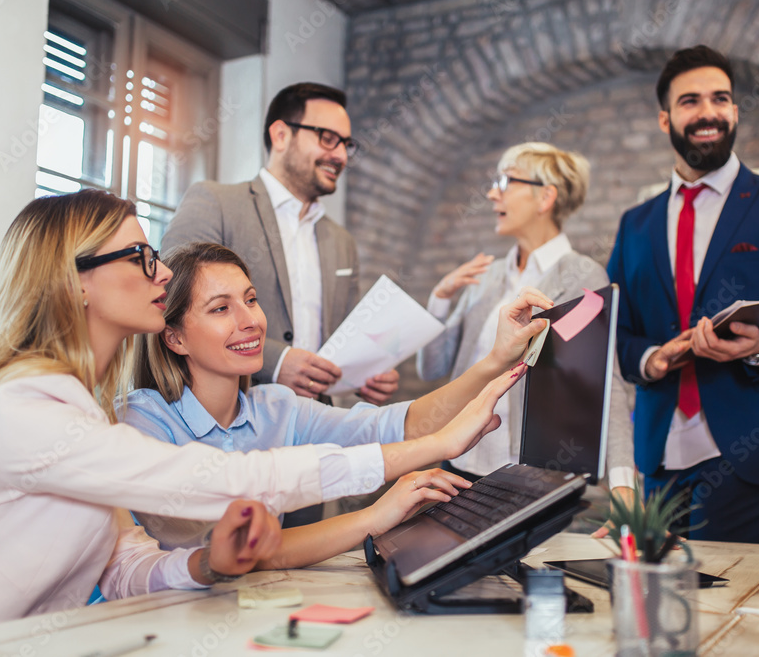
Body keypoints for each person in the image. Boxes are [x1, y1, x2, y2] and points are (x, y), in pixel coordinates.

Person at [0, 190, 538, 625]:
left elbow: (125, 565)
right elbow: (220, 479)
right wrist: (431, 451)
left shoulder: (80, 408)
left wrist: (207, 564)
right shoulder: (22, 404)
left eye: (249, 301)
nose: (161, 272)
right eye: (141, 257)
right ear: (76, 280)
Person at [120, 242, 537, 565]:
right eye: (220, 308)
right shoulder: (142, 420)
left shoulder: (279, 407)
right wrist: (375, 515)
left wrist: (496, 359)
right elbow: (226, 552)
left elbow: (399, 426)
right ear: (174, 337)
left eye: (250, 299)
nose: (250, 320)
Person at [606, 45, 759, 545]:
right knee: (666, 605)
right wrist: (650, 358)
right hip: (660, 456)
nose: (708, 112)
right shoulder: (635, 224)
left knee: (731, 610)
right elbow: (615, 334)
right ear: (665, 118)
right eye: (690, 101)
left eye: (721, 99)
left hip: (751, 456)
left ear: (734, 111)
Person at [418, 142, 634, 493]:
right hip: (458, 462)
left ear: (545, 198)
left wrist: (624, 486)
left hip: (524, 475)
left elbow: (605, 383)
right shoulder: (486, 276)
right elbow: (431, 367)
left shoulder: (582, 276)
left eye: (505, 182)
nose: (491, 194)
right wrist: (440, 299)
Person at [162, 83, 397, 405]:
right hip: (230, 412)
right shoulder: (215, 202)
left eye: (346, 143)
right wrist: (276, 362)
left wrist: (366, 369)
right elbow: (172, 300)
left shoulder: (342, 242)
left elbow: (341, 338)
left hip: (316, 423)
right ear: (281, 135)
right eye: (328, 138)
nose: (340, 155)